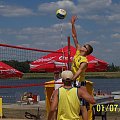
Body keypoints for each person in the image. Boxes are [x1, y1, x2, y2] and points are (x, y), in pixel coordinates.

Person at [71, 15, 94, 119]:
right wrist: (72, 24)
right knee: (74, 104)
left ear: (86, 51)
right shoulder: (77, 52)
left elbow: (79, 72)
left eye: (84, 46)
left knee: (82, 106)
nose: (82, 46)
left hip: (79, 82)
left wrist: (70, 80)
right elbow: (74, 36)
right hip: (74, 81)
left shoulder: (84, 61)